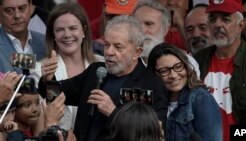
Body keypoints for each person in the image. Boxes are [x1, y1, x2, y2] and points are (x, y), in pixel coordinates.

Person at [39, 15, 168, 141]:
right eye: (106, 45)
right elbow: (56, 95)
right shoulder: (96, 71)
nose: (109, 52)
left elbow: (154, 132)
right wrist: (47, 80)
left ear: (137, 52)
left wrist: (113, 112)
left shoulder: (152, 84)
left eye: (118, 47)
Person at [33, 2, 104, 131]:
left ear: (84, 30)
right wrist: (49, 82)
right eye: (60, 30)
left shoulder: (102, 66)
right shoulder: (39, 70)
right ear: (53, 35)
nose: (67, 35)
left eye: (72, 28)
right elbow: (39, 123)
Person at [193, 0, 246, 141]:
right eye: (212, 19)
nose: (217, 24)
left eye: (225, 19)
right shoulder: (197, 60)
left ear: (240, 25)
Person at [147, 43, 222, 141]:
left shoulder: (201, 98)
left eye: (178, 67)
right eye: (164, 71)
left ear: (186, 66)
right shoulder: (151, 100)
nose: (173, 75)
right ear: (153, 74)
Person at [133, 0, 200, 77]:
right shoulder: (119, 60)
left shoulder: (185, 63)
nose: (142, 30)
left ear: (165, 29)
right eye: (136, 24)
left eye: (149, 24)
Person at [0, 0, 46, 73]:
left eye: (22, 8)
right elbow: (10, 59)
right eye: (9, 10)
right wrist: (40, 64)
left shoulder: (45, 41)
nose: (17, 16)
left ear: (30, 6)